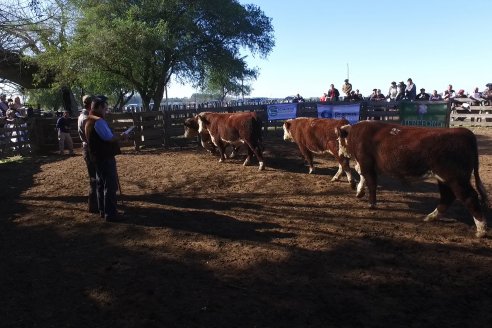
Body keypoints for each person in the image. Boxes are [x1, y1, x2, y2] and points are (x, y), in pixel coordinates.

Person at [85, 96, 128, 222]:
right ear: (98, 107)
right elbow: (108, 138)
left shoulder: (89, 120)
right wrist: (121, 136)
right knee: (109, 185)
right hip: (105, 157)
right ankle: (111, 214)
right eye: (105, 107)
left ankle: (103, 211)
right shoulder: (99, 121)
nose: (106, 110)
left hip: (96, 157)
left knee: (100, 184)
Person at [78, 95, 98, 213]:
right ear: (91, 104)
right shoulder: (86, 118)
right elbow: (90, 136)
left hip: (87, 148)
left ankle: (94, 204)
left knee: (93, 177)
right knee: (94, 177)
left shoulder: (81, 115)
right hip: (90, 148)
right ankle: (94, 205)